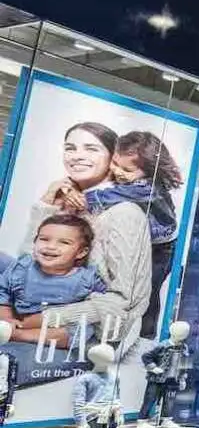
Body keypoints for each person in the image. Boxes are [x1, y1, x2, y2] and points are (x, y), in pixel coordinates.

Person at [26, 122, 151, 349]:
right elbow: (26, 267)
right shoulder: (67, 202)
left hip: (89, 338)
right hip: (42, 309)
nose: (77, 156)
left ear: (113, 158)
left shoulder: (124, 213)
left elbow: (123, 301)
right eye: (70, 148)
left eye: (91, 149)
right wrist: (46, 205)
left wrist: (43, 319)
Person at [86, 130, 182, 335]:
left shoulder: (147, 188)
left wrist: (81, 197)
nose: (118, 171)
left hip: (159, 249)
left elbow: (109, 196)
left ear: (150, 171)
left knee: (148, 292)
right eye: (115, 163)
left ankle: (145, 336)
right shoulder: (130, 180)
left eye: (127, 170)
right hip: (139, 242)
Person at [0, 214, 109, 344]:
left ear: (81, 252)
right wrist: (6, 318)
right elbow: (3, 293)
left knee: (83, 330)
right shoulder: (22, 267)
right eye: (44, 239)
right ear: (35, 242)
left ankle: (18, 335)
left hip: (52, 326)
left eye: (64, 242)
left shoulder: (86, 278)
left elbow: (105, 300)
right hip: (17, 316)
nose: (51, 246)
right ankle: (7, 330)